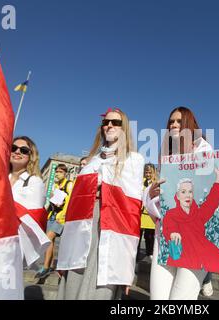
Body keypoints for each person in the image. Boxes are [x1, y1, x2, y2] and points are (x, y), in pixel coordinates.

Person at [143, 106, 219, 300]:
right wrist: (152, 192)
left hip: (196, 245)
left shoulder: (205, 151)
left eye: (179, 121)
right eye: (171, 121)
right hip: (164, 239)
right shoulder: (166, 156)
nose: (173, 124)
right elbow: (153, 199)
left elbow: (212, 199)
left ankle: (205, 279)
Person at [56, 108, 145, 300]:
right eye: (106, 122)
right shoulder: (91, 162)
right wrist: (64, 255)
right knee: (73, 284)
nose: (110, 125)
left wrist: (126, 266)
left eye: (116, 122)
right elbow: (73, 210)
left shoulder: (134, 160)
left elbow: (131, 211)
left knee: (100, 286)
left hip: (111, 228)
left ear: (124, 129)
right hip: (82, 229)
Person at [9, 136, 51, 268]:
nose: (17, 152)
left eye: (24, 150)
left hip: (14, 243)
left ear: (31, 156)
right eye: (13, 148)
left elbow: (34, 219)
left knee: (7, 284)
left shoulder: (35, 182)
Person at [35, 164, 73, 279]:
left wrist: (63, 214)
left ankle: (45, 268)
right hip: (52, 215)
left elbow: (70, 201)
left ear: (65, 173)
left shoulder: (69, 184)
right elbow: (55, 200)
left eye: (60, 172)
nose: (57, 173)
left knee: (48, 239)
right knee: (51, 241)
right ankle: (50, 265)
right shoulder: (56, 185)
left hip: (61, 217)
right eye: (56, 171)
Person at [138, 164, 157, 261]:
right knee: (138, 234)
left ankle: (150, 252)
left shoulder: (156, 183)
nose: (148, 174)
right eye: (146, 172)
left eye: (150, 172)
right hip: (140, 213)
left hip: (150, 213)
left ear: (154, 172)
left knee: (150, 236)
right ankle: (136, 254)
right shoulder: (140, 182)